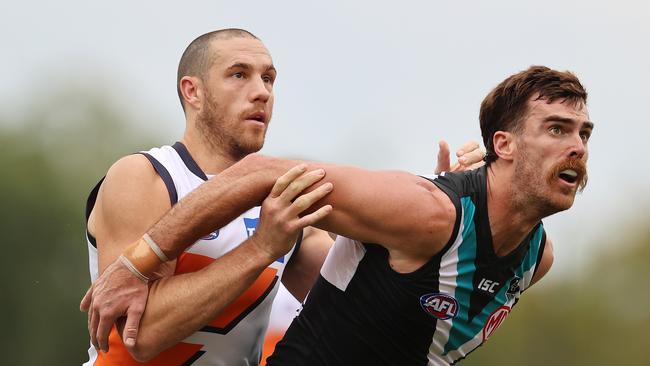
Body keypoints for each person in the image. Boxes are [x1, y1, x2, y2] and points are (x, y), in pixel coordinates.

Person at [80, 28, 485, 365]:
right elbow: (143, 335)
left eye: (268, 79)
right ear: (193, 91)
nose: (261, 92)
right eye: (239, 75)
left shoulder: (283, 200)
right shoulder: (145, 176)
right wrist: (261, 248)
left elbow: (371, 304)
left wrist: (440, 214)